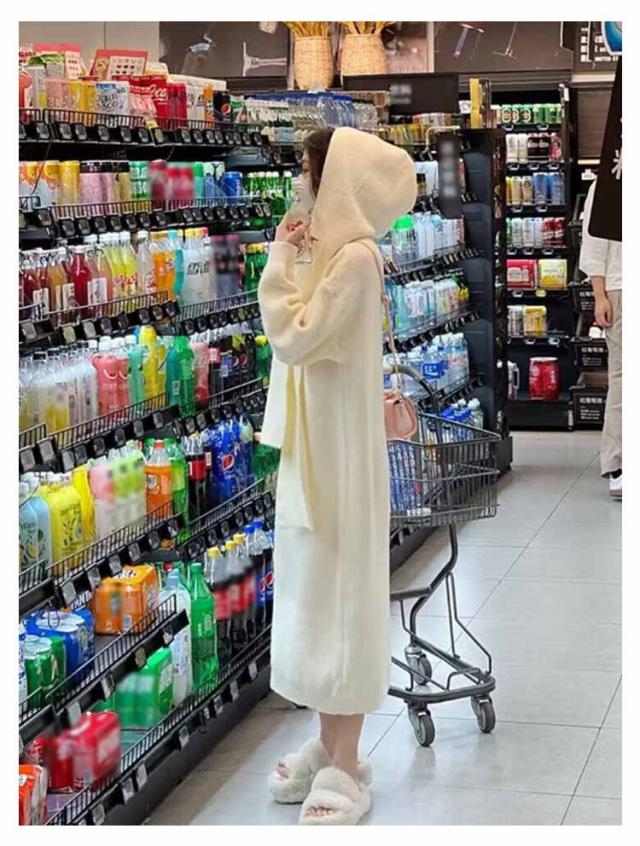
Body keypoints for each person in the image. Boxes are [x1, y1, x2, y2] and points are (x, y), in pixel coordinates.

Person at [257, 127, 416, 825]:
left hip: (342, 457)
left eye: (308, 171)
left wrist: (278, 260)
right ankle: (328, 744)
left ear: (337, 180)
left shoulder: (355, 260)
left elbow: (293, 336)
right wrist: (297, 254)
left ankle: (348, 763)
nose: (302, 184)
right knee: (317, 595)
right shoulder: (335, 254)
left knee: (343, 600)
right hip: (318, 450)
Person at [579, 179, 622, 498]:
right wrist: (599, 295)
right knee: (624, 379)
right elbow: (594, 242)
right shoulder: (610, 181)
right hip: (622, 287)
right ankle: (619, 464)